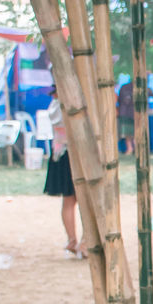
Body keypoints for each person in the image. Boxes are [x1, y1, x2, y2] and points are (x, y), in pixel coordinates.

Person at [42, 85, 83, 258]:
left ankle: (73, 240)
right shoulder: (63, 107)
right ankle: (78, 240)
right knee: (76, 198)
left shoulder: (54, 107)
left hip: (62, 155)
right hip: (70, 155)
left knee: (70, 200)